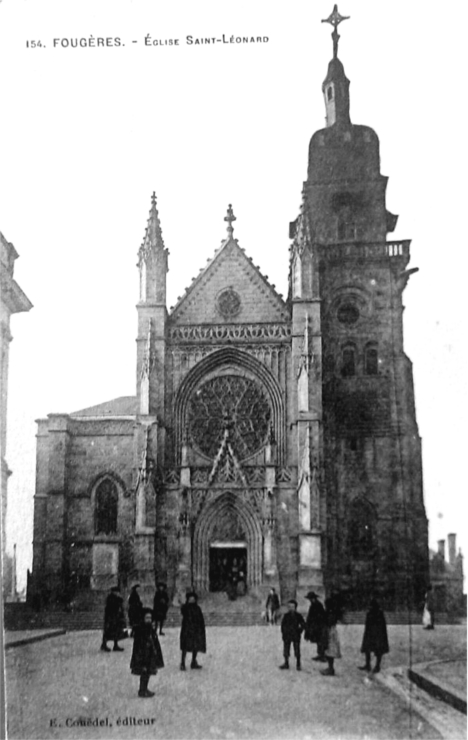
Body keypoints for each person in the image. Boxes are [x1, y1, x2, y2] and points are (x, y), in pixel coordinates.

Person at [130, 608, 164, 698]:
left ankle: (145, 688)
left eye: (150, 618)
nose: (149, 620)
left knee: (148, 672)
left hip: (149, 654)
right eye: (147, 618)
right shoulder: (141, 630)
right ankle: (142, 690)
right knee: (144, 672)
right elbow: (139, 644)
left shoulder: (150, 629)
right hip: (142, 655)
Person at [358, 598, 389, 673]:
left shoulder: (378, 613)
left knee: (378, 650)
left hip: (377, 634)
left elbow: (382, 626)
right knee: (367, 649)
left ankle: (377, 666)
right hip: (370, 634)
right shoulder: (370, 613)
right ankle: (368, 665)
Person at [180, 592, 206, 671]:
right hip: (187, 630)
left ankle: (193, 662)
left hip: (196, 630)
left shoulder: (197, 608)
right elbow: (183, 612)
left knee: (196, 646)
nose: (192, 600)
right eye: (190, 599)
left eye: (193, 599)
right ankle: (182, 663)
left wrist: (200, 629)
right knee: (185, 647)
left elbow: (201, 619)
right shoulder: (185, 608)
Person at [320, 593, 344, 676]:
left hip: (329, 632)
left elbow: (329, 622)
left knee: (329, 650)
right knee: (329, 650)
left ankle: (331, 668)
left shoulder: (330, 613)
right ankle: (330, 667)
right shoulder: (333, 612)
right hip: (331, 631)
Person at [279, 599, 306, 671]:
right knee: (286, 650)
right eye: (289, 607)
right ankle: (286, 663)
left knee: (297, 650)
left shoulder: (298, 616)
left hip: (295, 635)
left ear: (295, 607)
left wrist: (299, 631)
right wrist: (283, 633)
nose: (291, 608)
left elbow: (303, 624)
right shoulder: (286, 616)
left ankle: (298, 664)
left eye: (292, 607)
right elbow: (283, 625)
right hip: (287, 635)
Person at [101, 586, 127, 652]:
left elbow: (120, 607)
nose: (118, 593)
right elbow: (111, 609)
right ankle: (104, 645)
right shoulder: (111, 598)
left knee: (116, 632)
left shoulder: (116, 598)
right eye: (116, 592)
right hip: (111, 618)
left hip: (116, 618)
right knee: (108, 632)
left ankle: (115, 645)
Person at [304, 591, 327, 661]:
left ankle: (322, 655)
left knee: (320, 640)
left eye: (311, 599)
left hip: (319, 626)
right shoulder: (313, 605)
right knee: (318, 640)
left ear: (314, 598)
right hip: (315, 626)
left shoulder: (318, 605)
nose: (310, 600)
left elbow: (321, 615)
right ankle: (320, 654)